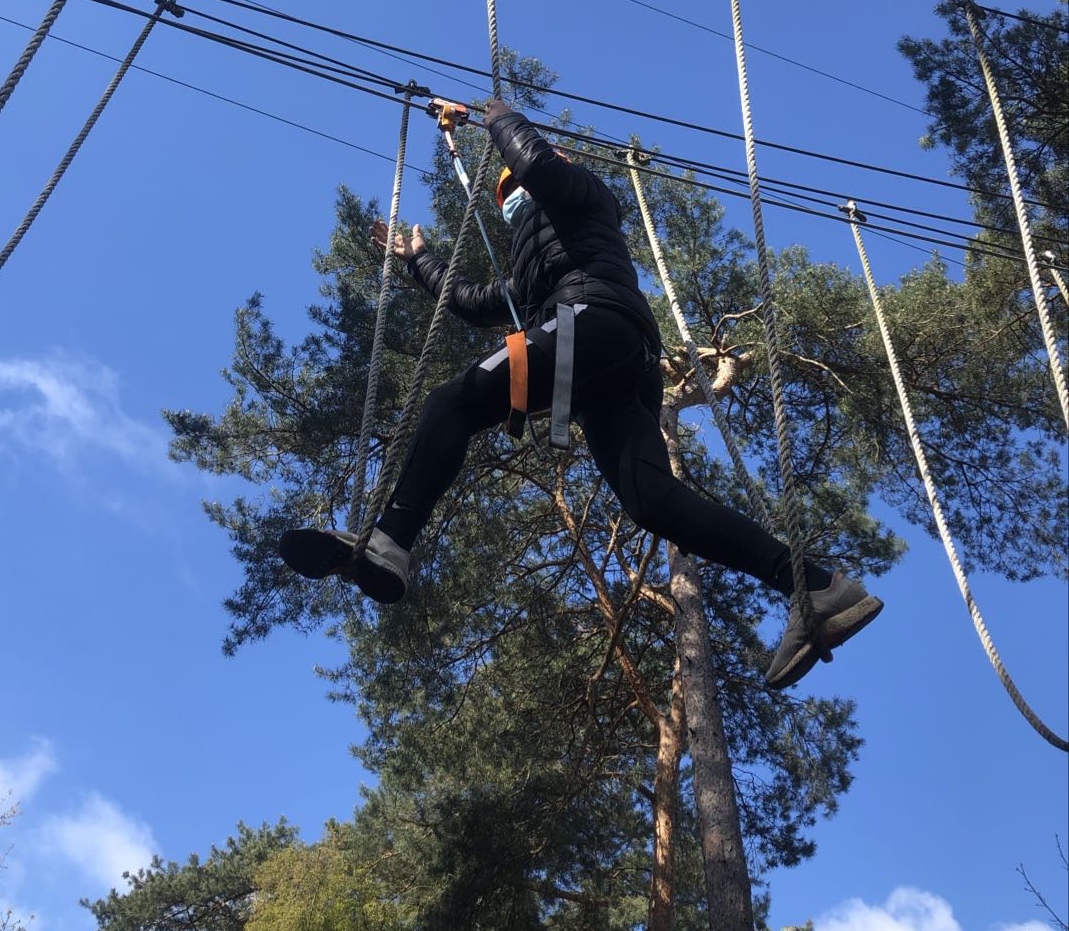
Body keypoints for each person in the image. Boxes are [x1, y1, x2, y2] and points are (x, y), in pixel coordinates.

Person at [280, 97, 883, 690]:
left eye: (514, 186)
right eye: (504, 196)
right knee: (651, 502)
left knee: (451, 402)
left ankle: (392, 540)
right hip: (609, 368)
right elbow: (470, 303)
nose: (512, 197)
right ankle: (818, 588)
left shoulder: (586, 197)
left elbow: (540, 167)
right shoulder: (528, 275)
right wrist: (420, 261)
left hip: (594, 321)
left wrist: (500, 120)